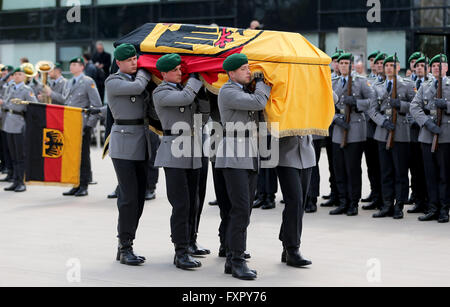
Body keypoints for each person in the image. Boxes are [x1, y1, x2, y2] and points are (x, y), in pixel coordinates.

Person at [215, 53, 271, 280]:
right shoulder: (228, 91)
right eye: (244, 69)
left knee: (244, 209)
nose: (249, 72)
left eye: (249, 68)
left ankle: (231, 258)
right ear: (232, 73)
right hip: (234, 153)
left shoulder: (242, 90)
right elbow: (259, 102)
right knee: (240, 209)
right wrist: (264, 85)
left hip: (249, 151)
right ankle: (237, 260)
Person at [152, 53, 204, 270]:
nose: (179, 73)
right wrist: (197, 77)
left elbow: (202, 111)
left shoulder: (183, 90)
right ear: (163, 73)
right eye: (174, 70)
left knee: (194, 202)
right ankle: (180, 251)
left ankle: (190, 241)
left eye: (180, 70)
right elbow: (185, 99)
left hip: (192, 150)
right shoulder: (161, 92)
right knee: (181, 204)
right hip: (174, 151)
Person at [105, 43, 152, 265]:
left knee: (140, 196)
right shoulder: (114, 81)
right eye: (130, 60)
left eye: (136, 59)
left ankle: (127, 243)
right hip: (123, 145)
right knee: (128, 197)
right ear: (119, 63)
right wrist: (145, 68)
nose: (135, 62)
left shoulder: (137, 80)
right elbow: (137, 88)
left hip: (142, 142)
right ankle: (125, 247)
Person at [368, 55, 416, 219]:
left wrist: (401, 105)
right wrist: (383, 122)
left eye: (392, 65)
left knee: (400, 172)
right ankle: (387, 204)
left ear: (398, 67)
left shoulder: (407, 84)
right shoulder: (378, 86)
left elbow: (414, 106)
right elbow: (372, 110)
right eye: (387, 65)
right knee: (385, 171)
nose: (389, 68)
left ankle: (399, 206)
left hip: (401, 133)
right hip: (383, 134)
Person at [46, 57, 102, 197]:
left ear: (82, 67)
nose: (72, 67)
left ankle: (83, 185)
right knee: (72, 156)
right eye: (71, 64)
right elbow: (66, 100)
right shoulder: (69, 82)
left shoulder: (88, 81)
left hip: (83, 123)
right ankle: (75, 184)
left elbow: (96, 105)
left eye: (75, 64)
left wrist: (90, 125)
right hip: (70, 123)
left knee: (83, 156)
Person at [330, 53, 375, 216]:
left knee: (352, 168)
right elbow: (326, 104)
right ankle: (343, 201)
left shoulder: (361, 81)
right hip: (338, 129)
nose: (342, 66)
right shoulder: (332, 81)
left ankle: (353, 203)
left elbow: (372, 101)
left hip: (355, 129)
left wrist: (356, 103)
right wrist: (335, 119)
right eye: (340, 63)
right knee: (339, 169)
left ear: (351, 65)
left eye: (346, 63)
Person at [410, 54, 450, 223]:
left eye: (440, 65)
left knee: (444, 175)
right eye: (434, 66)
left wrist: (447, 106)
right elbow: (414, 106)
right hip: (427, 136)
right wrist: (426, 122)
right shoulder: (425, 86)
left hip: (446, 136)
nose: (436, 68)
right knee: (430, 174)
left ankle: (444, 209)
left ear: (446, 68)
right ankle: (432, 208)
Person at [1, 66, 38, 192]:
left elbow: (34, 105)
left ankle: (21, 182)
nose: (16, 76)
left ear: (25, 77)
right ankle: (15, 180)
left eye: (19, 74)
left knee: (20, 154)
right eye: (15, 74)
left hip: (19, 122)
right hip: (9, 122)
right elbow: (6, 102)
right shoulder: (10, 88)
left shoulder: (27, 90)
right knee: (13, 154)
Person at [407, 56, 429, 214]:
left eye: (422, 65)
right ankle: (418, 198)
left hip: (428, 130)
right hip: (412, 132)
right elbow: (410, 105)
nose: (419, 67)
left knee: (427, 168)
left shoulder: (434, 83)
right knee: (415, 168)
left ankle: (429, 200)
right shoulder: (408, 82)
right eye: (416, 65)